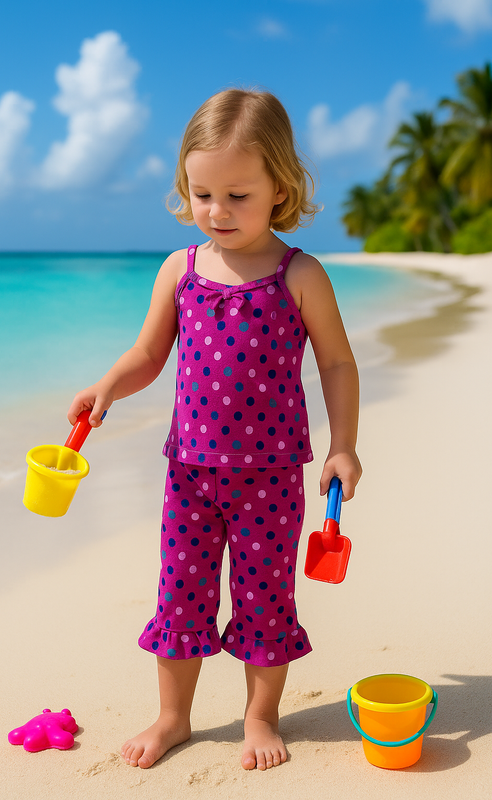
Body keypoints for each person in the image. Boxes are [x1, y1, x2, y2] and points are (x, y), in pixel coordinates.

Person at [67, 88, 362, 772]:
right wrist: (108, 384)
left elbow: (338, 362)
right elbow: (148, 354)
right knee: (181, 593)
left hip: (271, 478)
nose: (217, 212)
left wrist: (342, 445)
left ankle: (259, 717)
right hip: (190, 474)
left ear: (280, 188)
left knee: (266, 597)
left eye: (238, 195)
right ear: (185, 188)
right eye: (202, 194)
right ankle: (173, 717)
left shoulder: (300, 275)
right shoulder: (180, 271)